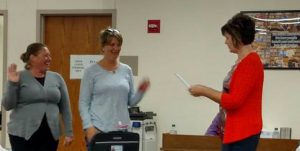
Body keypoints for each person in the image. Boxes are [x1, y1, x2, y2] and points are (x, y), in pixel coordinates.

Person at [189, 13, 264, 151]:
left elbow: (234, 101)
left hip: (243, 132)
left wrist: (203, 90)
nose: (226, 41)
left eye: (228, 37)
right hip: (234, 130)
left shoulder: (250, 63)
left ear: (237, 38)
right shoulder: (241, 63)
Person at [79, 27, 150, 148]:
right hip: (99, 130)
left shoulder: (126, 70)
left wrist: (141, 91)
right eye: (112, 44)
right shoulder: (91, 71)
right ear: (102, 47)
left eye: (118, 45)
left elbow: (131, 101)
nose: (115, 48)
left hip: (122, 130)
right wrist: (88, 127)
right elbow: (83, 103)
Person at [2, 43, 73, 151]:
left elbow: (65, 108)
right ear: (32, 58)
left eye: (49, 56)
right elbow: (7, 105)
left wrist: (69, 132)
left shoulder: (57, 78)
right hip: (22, 134)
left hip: (50, 134)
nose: (49, 58)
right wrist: (13, 84)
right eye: (45, 55)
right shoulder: (19, 76)